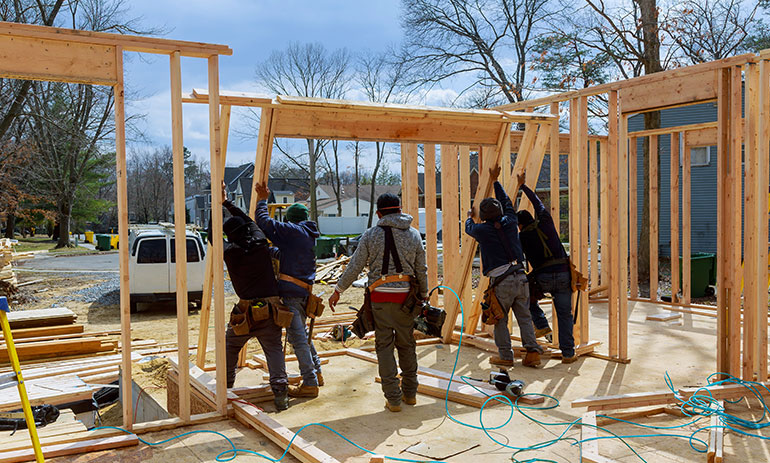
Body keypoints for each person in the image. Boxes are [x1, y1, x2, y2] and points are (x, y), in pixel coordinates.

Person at [328, 193, 428, 412]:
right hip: (406, 299)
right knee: (407, 344)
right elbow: (421, 268)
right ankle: (410, 394)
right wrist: (425, 295)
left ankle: (393, 399)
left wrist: (338, 290)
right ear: (400, 210)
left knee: (384, 346)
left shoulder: (371, 235)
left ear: (378, 214)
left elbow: (354, 266)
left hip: (380, 298)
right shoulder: (413, 235)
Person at [214, 183, 289, 410]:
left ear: (230, 236)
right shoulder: (260, 243)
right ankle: (281, 394)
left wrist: (216, 207)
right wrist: (227, 203)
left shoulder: (229, 252)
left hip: (245, 313)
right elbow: (248, 221)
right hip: (271, 309)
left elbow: (212, 233)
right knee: (274, 350)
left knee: (230, 346)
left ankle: (227, 389)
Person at [465, 166, 542, 368]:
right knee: (525, 317)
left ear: (482, 215)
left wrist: (468, 216)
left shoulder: (481, 230)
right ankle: (533, 353)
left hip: (502, 282)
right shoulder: (510, 221)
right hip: (521, 277)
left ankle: (506, 356)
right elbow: (508, 202)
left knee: (499, 319)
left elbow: (469, 228)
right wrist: (495, 181)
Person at [254, 182, 323, 398]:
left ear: (291, 221)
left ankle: (310, 383)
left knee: (297, 339)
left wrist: (262, 200)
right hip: (302, 292)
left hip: (292, 294)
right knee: (302, 336)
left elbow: (264, 222)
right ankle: (317, 372)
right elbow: (288, 256)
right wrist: (270, 251)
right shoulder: (306, 236)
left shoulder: (294, 231)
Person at [515, 171, 577, 363]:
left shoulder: (522, 237)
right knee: (565, 314)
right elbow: (538, 204)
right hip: (563, 274)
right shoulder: (546, 221)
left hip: (543, 277)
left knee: (527, 300)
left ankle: (541, 325)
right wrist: (523, 186)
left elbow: (520, 260)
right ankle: (568, 354)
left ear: (520, 225)